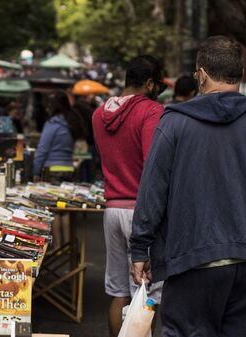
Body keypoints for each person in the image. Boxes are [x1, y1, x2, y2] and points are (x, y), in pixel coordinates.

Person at [130, 35, 246, 337]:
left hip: (193, 259)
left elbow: (153, 191)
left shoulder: (174, 123)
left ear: (202, 74)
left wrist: (140, 248)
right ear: (240, 75)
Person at [92, 55, 165, 337]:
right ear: (148, 83)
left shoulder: (99, 114)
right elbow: (153, 166)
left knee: (119, 291)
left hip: (112, 208)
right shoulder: (151, 111)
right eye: (158, 84)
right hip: (142, 211)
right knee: (147, 296)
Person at [33, 91, 86, 183]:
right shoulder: (72, 122)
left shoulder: (53, 123)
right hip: (69, 169)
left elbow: (43, 149)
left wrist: (35, 172)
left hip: (52, 170)